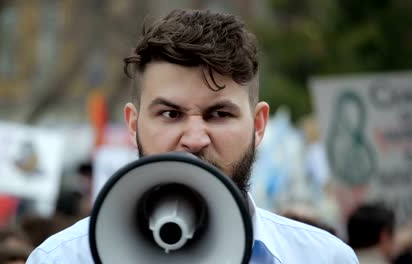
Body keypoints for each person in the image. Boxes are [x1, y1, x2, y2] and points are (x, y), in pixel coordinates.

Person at [27, 9, 358, 263]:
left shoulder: (324, 258)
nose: (195, 138)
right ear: (133, 123)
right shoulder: (61, 259)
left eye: (219, 114)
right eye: (171, 114)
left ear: (258, 125)